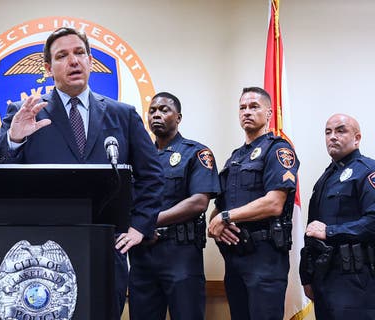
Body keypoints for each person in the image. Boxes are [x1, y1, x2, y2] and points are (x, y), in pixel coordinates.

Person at [0, 27, 164, 319]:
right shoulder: (25, 111)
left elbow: (152, 175)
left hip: (107, 246)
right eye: (62, 56)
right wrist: (13, 139)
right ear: (47, 68)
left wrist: (140, 226)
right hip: (42, 253)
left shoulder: (123, 114)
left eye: (80, 53)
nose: (73, 61)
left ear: (90, 61)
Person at [207, 87, 299, 320]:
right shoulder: (235, 157)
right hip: (235, 256)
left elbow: (274, 204)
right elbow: (218, 208)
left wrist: (227, 218)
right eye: (242, 107)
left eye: (254, 106)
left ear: (269, 113)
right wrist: (216, 226)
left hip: (264, 259)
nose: (247, 111)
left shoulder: (278, 149)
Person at [128, 92, 220, 320]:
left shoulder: (196, 153)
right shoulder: (136, 158)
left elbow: (199, 202)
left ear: (178, 117)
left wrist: (147, 222)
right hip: (143, 256)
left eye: (164, 110)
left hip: (180, 254)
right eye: (152, 110)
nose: (157, 114)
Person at [300, 114, 375, 319]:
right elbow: (311, 230)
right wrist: (306, 276)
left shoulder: (367, 171)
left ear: (357, 138)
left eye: (340, 130)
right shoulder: (324, 179)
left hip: (356, 279)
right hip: (324, 277)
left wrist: (331, 231)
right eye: (328, 132)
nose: (332, 137)